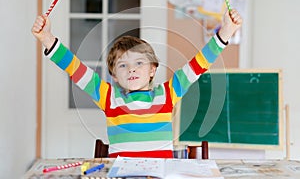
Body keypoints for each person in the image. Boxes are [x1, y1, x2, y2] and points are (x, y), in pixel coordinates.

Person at [32, 9, 242, 158]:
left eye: (139, 63)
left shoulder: (168, 93)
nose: (131, 69)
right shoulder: (108, 96)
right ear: (114, 75)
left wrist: (226, 32)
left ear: (152, 69)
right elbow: (75, 68)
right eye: (122, 65)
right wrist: (47, 38)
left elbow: (199, 63)